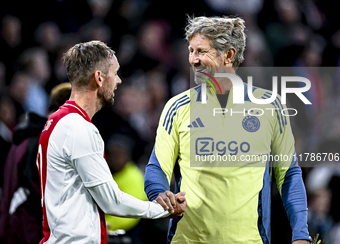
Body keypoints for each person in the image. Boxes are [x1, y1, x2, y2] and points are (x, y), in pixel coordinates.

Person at [144, 16, 312, 244]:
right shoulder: (177, 107)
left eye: (202, 51)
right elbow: (157, 167)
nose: (193, 60)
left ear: (229, 55)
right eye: (191, 51)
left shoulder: (270, 106)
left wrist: (301, 234)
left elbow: (288, 174)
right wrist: (160, 193)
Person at [36, 40, 186, 244]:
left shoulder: (57, 121)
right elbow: (112, 201)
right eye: (115, 73)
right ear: (99, 77)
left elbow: (72, 195)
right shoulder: (77, 127)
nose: (119, 81)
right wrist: (162, 209)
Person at [0, 82, 72, 244]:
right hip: (30, 234)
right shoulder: (42, 143)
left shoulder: (25, 138)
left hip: (14, 230)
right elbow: (46, 201)